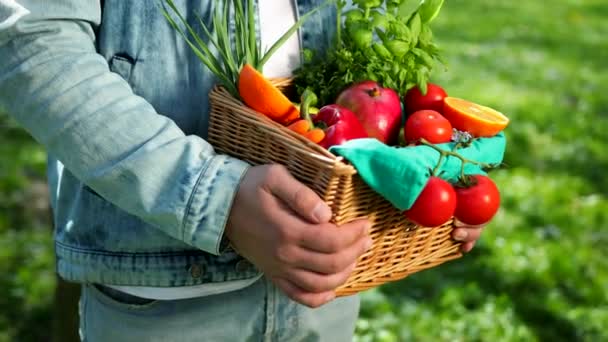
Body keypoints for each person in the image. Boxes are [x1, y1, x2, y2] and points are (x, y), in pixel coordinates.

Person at [0, 1, 488, 341]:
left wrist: (435, 173)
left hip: (324, 289)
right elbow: (30, 38)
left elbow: (369, 51)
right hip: (162, 290)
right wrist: (216, 200)